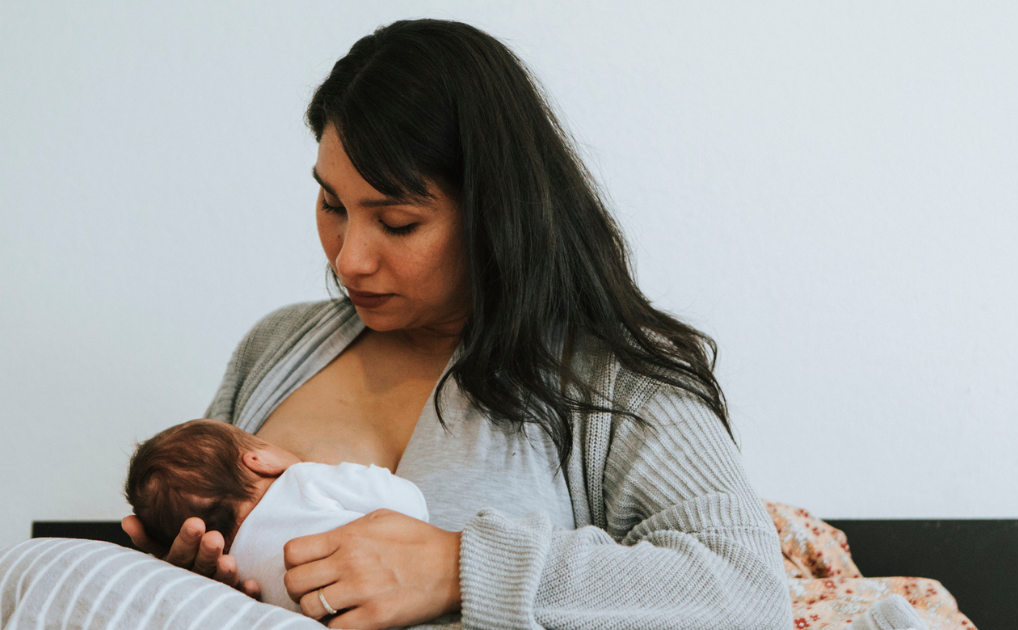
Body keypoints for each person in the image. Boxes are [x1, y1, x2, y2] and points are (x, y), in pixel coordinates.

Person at [122, 18, 794, 629]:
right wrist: (192, 583)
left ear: (493, 213)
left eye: (398, 223)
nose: (350, 258)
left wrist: (458, 569)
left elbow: (747, 589)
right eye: (332, 204)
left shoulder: (615, 376)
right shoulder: (276, 349)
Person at [124, 419, 428, 613]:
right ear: (259, 460)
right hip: (406, 599)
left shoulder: (238, 575)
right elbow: (409, 503)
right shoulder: (302, 480)